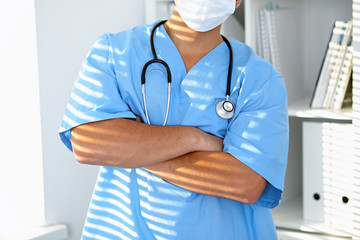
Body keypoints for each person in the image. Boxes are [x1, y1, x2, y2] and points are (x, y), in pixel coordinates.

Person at [59, 0, 289, 239]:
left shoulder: (260, 79)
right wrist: (193, 138)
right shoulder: (115, 52)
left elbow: (246, 183)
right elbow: (88, 143)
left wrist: (130, 149)